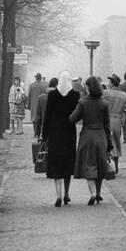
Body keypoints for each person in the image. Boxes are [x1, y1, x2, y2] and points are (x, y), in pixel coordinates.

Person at [69, 76, 113, 205]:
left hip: (87, 136)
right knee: (100, 164)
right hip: (101, 136)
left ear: (88, 88)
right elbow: (107, 125)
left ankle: (93, 193)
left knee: (89, 165)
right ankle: (99, 193)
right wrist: (109, 144)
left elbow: (72, 119)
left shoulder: (83, 102)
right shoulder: (104, 103)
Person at [42, 71, 80, 207]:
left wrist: (44, 135)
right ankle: (67, 194)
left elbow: (47, 116)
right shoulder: (75, 95)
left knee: (56, 162)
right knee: (68, 163)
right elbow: (78, 114)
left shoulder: (52, 95)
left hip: (55, 132)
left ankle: (58, 194)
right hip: (69, 132)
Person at [103, 74, 126, 174]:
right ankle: (115, 167)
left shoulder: (105, 93)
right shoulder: (125, 96)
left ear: (112, 83)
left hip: (106, 121)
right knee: (116, 144)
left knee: (105, 143)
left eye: (109, 82)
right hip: (117, 121)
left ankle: (106, 166)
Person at [26, 73, 47, 137]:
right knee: (40, 118)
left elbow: (29, 96)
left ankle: (35, 132)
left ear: (35, 78)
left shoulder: (31, 85)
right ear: (40, 78)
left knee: (34, 119)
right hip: (41, 104)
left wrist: (28, 105)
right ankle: (39, 132)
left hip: (33, 104)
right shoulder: (43, 86)